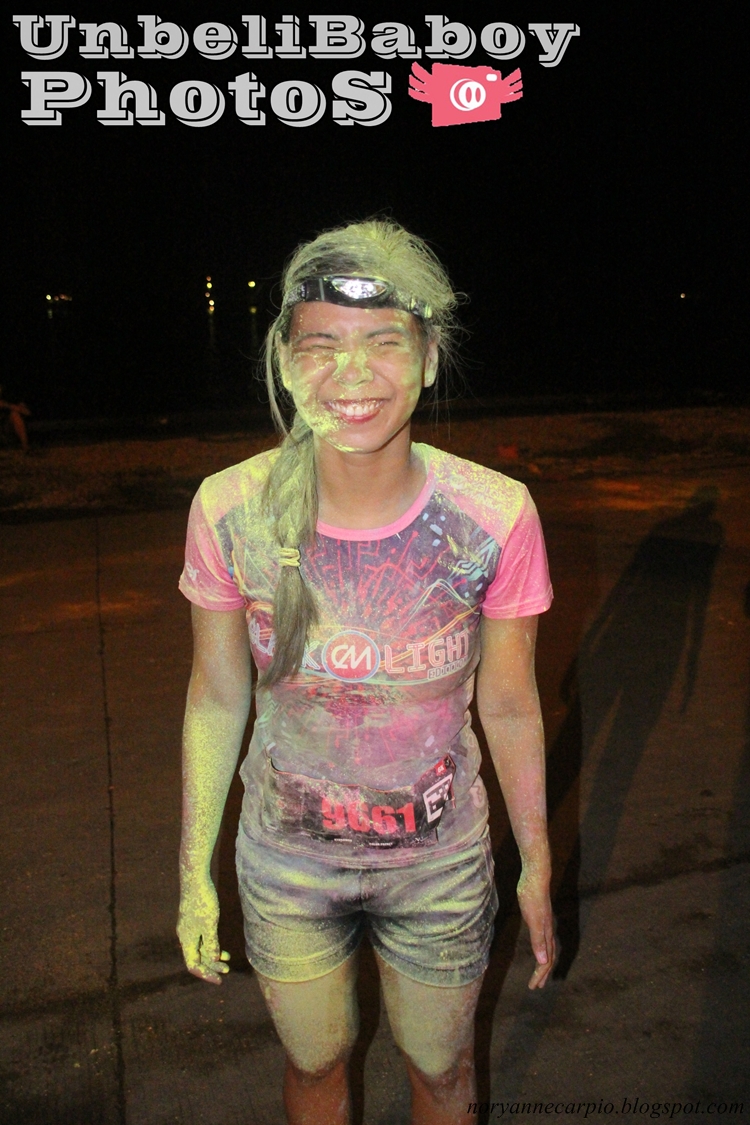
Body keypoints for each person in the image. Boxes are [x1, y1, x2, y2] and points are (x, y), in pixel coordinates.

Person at [177, 219, 555, 1125]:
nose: (351, 377)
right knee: (315, 1064)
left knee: (443, 1070)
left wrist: (536, 861)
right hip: (287, 861)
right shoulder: (230, 510)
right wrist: (193, 867)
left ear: (430, 358)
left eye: (384, 342)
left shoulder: (494, 515)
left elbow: (509, 704)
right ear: (285, 361)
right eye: (321, 346)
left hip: (440, 861)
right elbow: (218, 694)